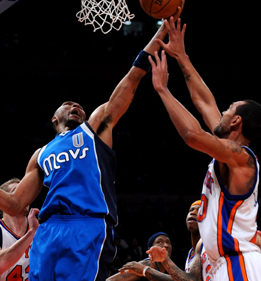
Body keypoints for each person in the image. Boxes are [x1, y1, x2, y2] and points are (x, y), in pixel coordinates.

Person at [0, 0, 185, 281]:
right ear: (54, 119)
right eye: (68, 104)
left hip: (87, 225)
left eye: (78, 105)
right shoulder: (41, 153)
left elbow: (131, 79)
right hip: (49, 229)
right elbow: (16, 204)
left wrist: (160, 31)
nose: (75, 106)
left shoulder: (95, 128)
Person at [148, 17, 261, 280]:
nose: (221, 111)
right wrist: (181, 56)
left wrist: (163, 90)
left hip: (239, 263)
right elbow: (205, 102)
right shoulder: (228, 151)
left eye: (229, 109)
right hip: (221, 264)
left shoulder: (242, 160)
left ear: (236, 121)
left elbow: (192, 135)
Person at [119, 201, 212, 281]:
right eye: (191, 210)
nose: (193, 212)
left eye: (199, 210)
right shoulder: (192, 252)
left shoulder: (209, 244)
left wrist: (145, 270)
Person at [0, 178, 39, 280]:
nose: (23, 197)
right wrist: (31, 233)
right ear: (2, 201)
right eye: (16, 192)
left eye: (25, 192)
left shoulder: (39, 230)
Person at [107, 232, 173, 280]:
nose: (166, 245)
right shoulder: (147, 264)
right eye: (159, 242)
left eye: (168, 242)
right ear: (150, 249)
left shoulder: (168, 268)